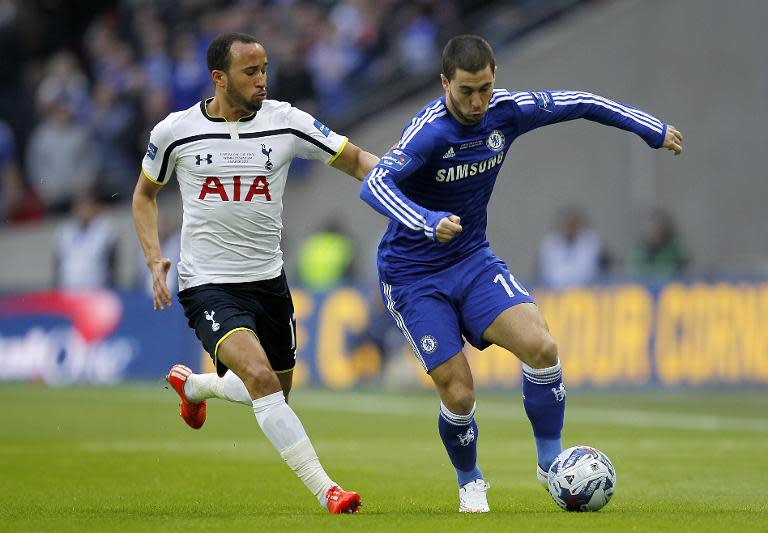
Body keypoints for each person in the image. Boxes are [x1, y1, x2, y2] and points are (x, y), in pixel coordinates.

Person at [358, 35, 683, 512]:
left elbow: (582, 103)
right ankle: (470, 480)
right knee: (460, 390)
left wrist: (650, 128)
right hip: (413, 276)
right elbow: (374, 183)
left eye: (485, 88)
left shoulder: (507, 111)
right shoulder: (428, 132)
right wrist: (426, 221)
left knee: (542, 346)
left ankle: (549, 460)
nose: (476, 102)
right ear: (445, 82)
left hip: (471, 260)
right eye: (466, 90)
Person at [132, 32, 378, 514]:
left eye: (266, 69)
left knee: (273, 390)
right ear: (219, 78)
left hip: (268, 282)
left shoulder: (286, 122)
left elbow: (354, 159)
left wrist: (400, 191)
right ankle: (329, 491)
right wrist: (153, 257)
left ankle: (197, 385)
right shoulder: (175, 132)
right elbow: (144, 195)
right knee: (263, 380)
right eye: (251, 71)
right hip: (207, 284)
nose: (262, 79)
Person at [538, 206, 609, 289]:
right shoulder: (550, 243)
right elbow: (546, 271)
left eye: (573, 225)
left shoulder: (590, 242)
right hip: (555, 291)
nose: (570, 229)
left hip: (586, 290)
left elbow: (592, 270)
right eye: (567, 225)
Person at [627, 208, 688, 279]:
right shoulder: (639, 251)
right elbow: (635, 270)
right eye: (651, 227)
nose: (654, 231)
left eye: (658, 227)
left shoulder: (674, 249)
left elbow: (682, 268)